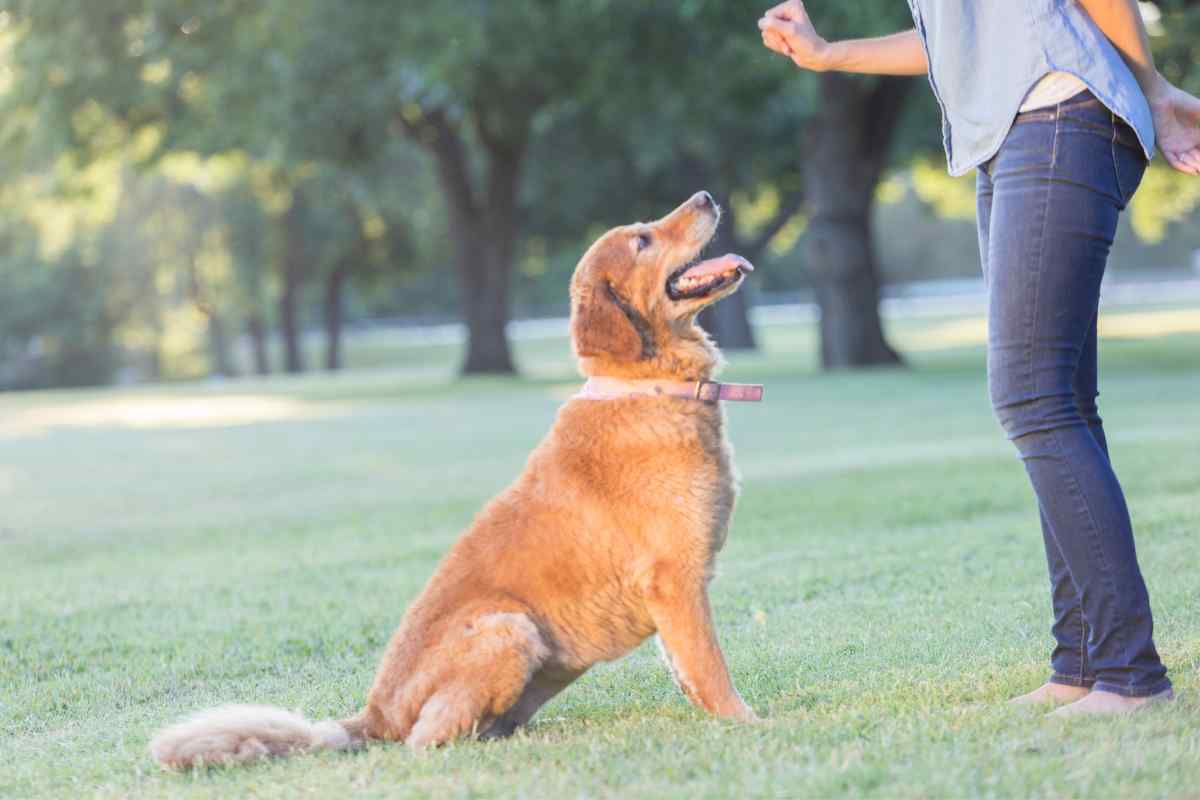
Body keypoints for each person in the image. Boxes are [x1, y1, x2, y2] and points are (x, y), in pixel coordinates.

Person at [759, 0, 1200, 715]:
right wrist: (830, 53)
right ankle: (1082, 663)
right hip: (1016, 134)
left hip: (1060, 112)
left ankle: (1130, 674)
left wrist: (1151, 84)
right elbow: (957, 41)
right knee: (1060, 402)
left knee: (1032, 398)